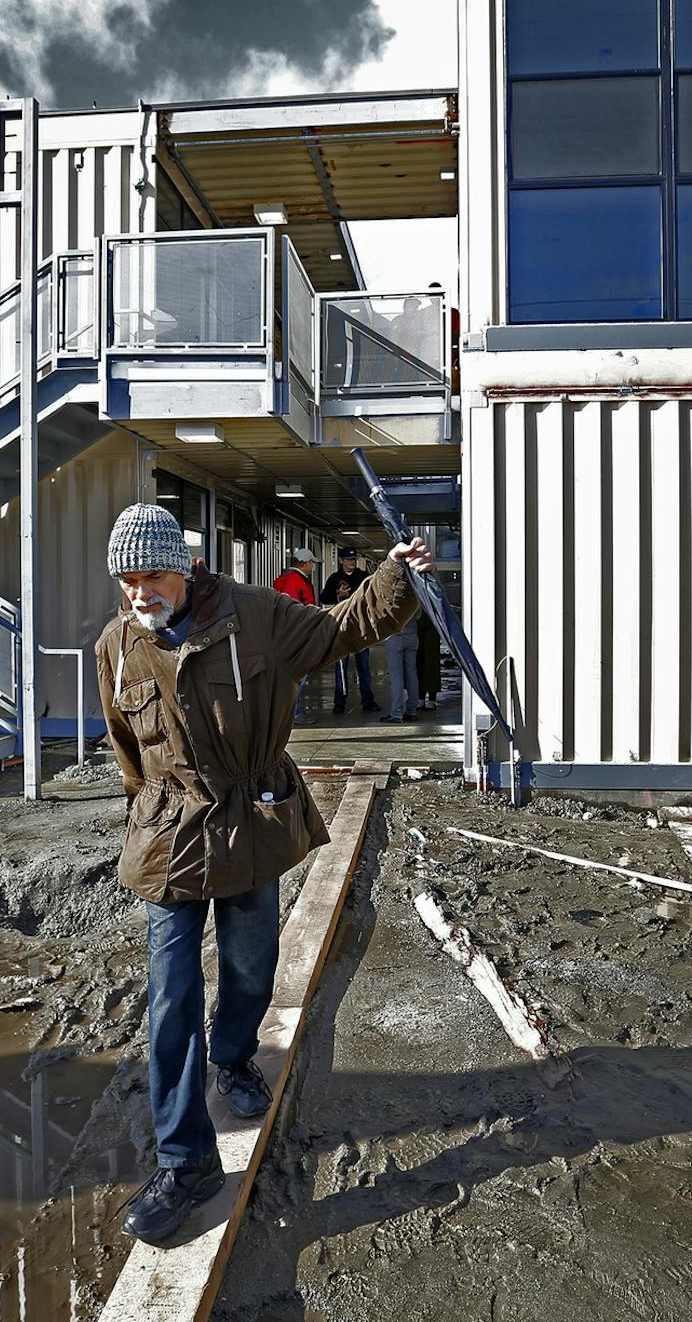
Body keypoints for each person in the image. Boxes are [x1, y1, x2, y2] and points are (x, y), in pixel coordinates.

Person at [96, 503, 431, 1242]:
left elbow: (346, 628)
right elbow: (128, 750)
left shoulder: (258, 615)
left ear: (182, 571)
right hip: (170, 829)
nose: (137, 591)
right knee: (170, 999)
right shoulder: (117, 645)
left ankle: (238, 1057)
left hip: (252, 816)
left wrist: (394, 576)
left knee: (251, 964)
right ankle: (185, 1163)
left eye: (149, 574)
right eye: (126, 579)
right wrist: (150, 813)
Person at [318, 547, 378, 713]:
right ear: (341, 561)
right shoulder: (334, 578)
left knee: (364, 667)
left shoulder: (363, 576)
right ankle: (339, 702)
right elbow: (323, 597)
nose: (352, 563)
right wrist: (338, 595)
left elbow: (372, 595)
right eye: (348, 560)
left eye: (353, 560)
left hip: (360, 626)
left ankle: (368, 701)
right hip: (342, 627)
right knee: (341, 667)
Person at [271, 548, 317, 719]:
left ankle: (292, 712)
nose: (312, 566)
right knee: (298, 675)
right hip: (296, 634)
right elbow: (291, 609)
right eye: (311, 563)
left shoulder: (285, 579)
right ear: (304, 563)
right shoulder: (295, 581)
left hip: (286, 634)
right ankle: (294, 713)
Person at [382, 609, 420, 722]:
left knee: (396, 676)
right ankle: (412, 711)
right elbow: (418, 615)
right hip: (412, 635)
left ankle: (396, 713)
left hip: (395, 635)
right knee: (412, 675)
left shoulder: (391, 592)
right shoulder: (416, 593)